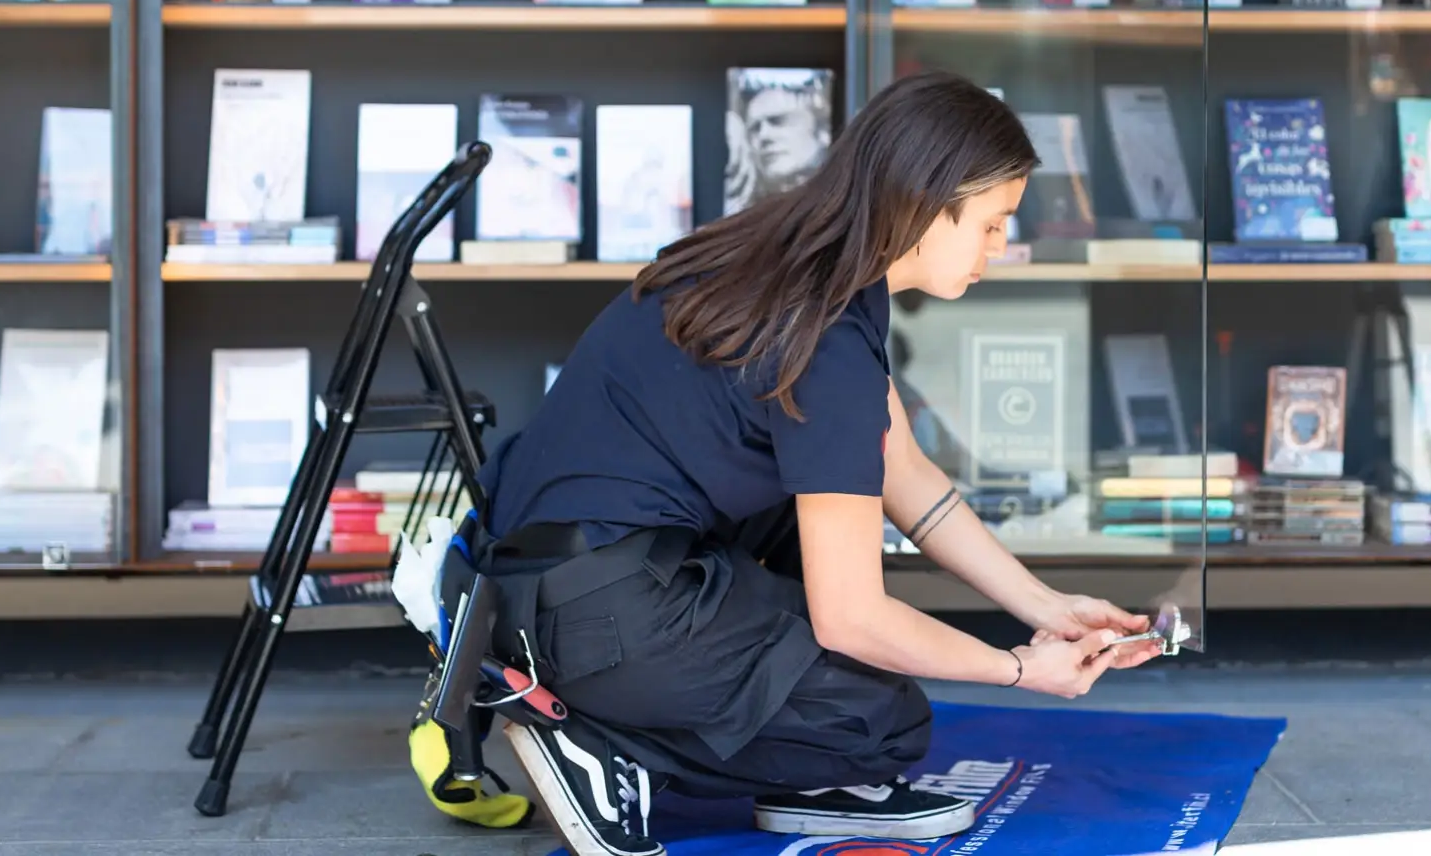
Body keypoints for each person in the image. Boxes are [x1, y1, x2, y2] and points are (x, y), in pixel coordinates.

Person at [471, 71, 1163, 856]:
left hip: (531, 582)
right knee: (878, 724)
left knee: (843, 546)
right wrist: (1018, 670)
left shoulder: (796, 259)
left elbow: (903, 474)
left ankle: (621, 702)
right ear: (927, 203)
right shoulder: (826, 343)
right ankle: (594, 735)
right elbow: (852, 618)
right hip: (598, 616)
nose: (1001, 248)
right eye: (993, 223)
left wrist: (1046, 607)